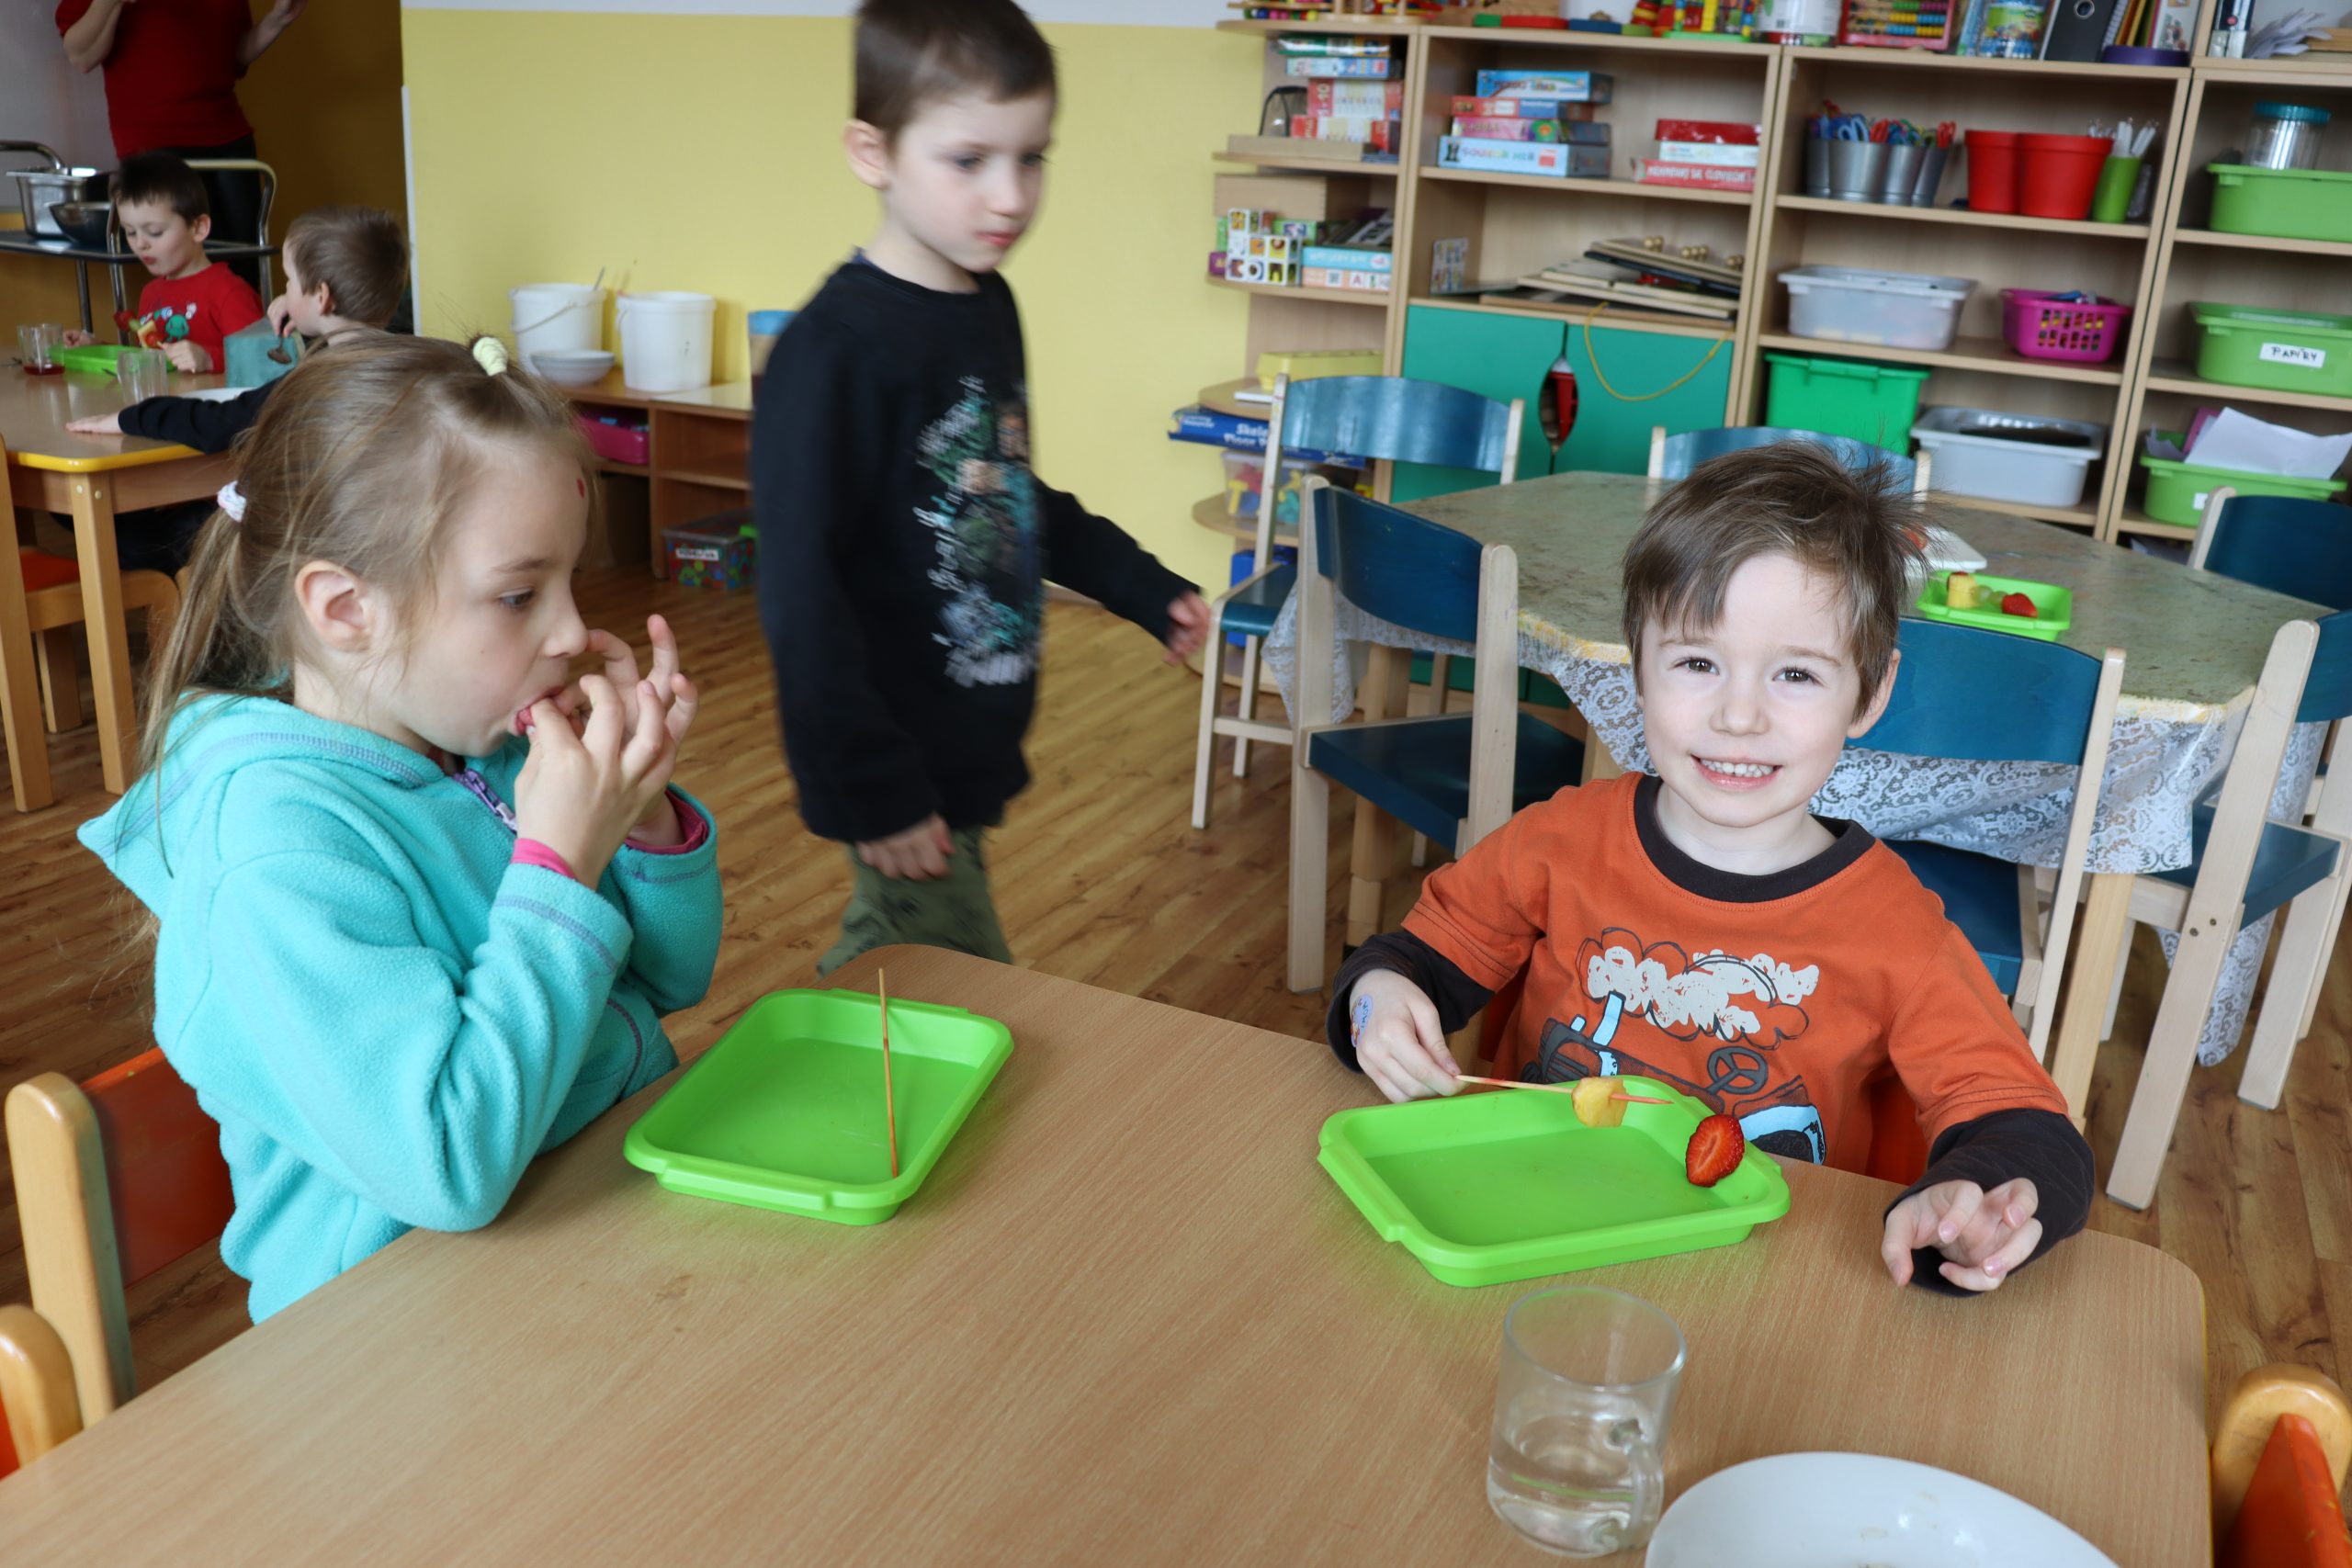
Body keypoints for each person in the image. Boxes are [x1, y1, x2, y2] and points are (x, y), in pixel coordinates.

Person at [1330, 443, 2095, 1296]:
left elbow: (2029, 1129)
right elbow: (1416, 961)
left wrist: (1976, 1210)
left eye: (1796, 673)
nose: (1738, 715)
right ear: (1638, 666)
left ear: (1871, 691)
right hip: (1534, 1232)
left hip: (1755, 1279)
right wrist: (1378, 1000)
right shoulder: (1558, 840)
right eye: (1698, 662)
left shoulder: (1897, 930)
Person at [79, 333, 721, 1323]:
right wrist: (559, 868)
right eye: (519, 595)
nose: (569, 633)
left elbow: (673, 980)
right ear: (346, 610)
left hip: (589, 1230)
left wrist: (637, 809)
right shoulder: (275, 853)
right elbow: (448, 1164)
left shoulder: (478, 743)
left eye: (567, 583)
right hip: (395, 1329)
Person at [754, 0, 1208, 977]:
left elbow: (1002, 496)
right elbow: (799, 596)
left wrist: (1134, 582)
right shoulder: (830, 357)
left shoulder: (985, 304)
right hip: (899, 761)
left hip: (965, 744)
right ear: (872, 153)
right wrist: (873, 788)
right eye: (968, 161)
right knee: (945, 986)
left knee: (918, 984)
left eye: (1031, 157)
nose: (1009, 196)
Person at [68, 205, 409, 449]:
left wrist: (131, 417)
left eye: (289, 281)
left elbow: (216, 423)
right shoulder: (409, 366)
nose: (284, 292)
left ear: (322, 297)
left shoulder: (313, 383)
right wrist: (305, 315)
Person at [56, 0, 306, 291]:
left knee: (245, 269)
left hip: (228, 137)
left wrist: (277, 20)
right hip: (155, 144)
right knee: (187, 271)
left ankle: (245, 322)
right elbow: (81, 56)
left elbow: (233, 57)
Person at [62, 152, 264, 375]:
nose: (140, 244)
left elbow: (263, 360)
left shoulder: (229, 293)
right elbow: (151, 360)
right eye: (130, 232)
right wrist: (95, 348)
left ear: (198, 228)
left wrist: (209, 359)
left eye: (155, 232)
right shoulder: (150, 293)